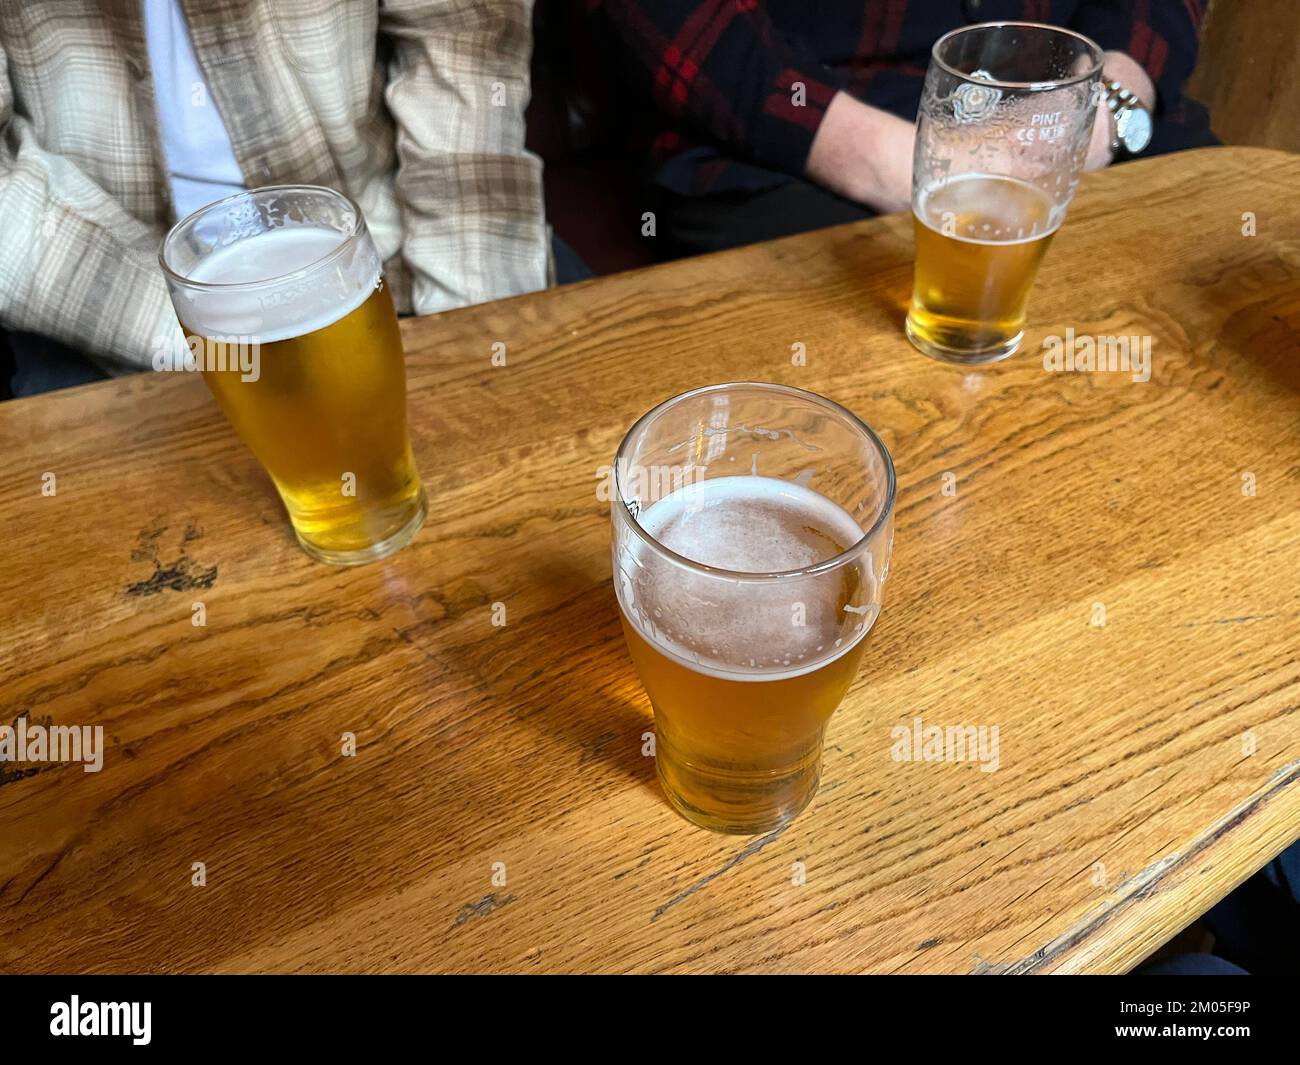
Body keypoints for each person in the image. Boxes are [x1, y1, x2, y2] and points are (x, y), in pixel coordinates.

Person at [0, 0, 577, 397]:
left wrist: (470, 327)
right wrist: (204, 335)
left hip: (393, 241)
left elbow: (460, 29)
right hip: (95, 297)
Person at [588, 0, 1217, 256]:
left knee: (1233, 264)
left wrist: (1103, 105)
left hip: (1089, 116)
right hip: (792, 152)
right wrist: (915, 165)